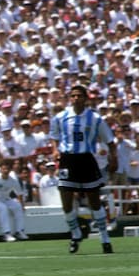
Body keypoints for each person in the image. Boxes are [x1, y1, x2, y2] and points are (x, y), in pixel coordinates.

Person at [48, 84, 117, 254]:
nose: (76, 98)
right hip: (68, 160)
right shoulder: (60, 117)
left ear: (86, 98)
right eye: (73, 96)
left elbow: (110, 141)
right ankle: (76, 233)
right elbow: (54, 138)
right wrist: (55, 150)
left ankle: (104, 237)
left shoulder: (95, 119)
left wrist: (113, 158)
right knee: (66, 201)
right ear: (69, 98)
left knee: (94, 201)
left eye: (79, 95)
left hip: (86, 159)